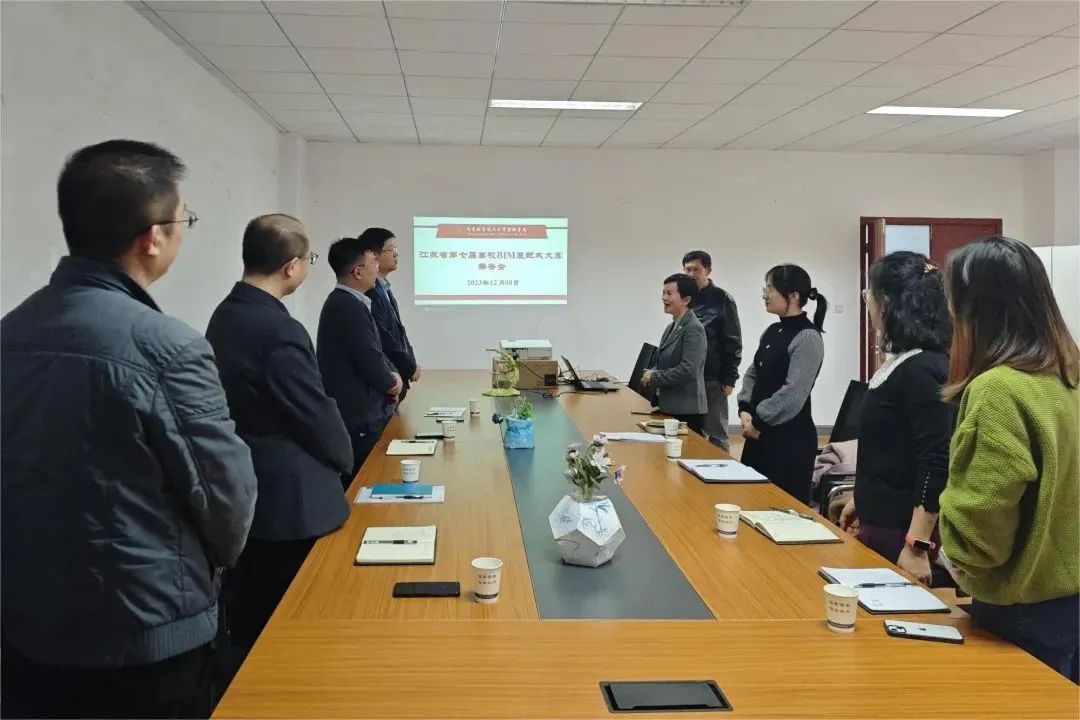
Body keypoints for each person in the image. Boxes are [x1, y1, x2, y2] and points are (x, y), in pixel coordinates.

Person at [0, 140, 257, 718]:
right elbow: (227, 500)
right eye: (184, 220)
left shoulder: (11, 332)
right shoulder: (168, 347)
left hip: (28, 629)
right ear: (153, 237)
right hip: (147, 636)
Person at [205, 214, 352, 656]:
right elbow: (313, 413)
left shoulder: (226, 314)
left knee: (256, 616)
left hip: (248, 490)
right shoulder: (278, 330)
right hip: (290, 505)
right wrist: (346, 458)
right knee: (292, 622)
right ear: (292, 266)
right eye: (309, 259)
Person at [938, 236, 1079, 683]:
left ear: (972, 309)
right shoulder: (1070, 376)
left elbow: (983, 527)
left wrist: (954, 553)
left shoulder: (998, 389)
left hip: (1023, 612)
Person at [838, 252, 952, 584]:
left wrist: (917, 546)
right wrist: (862, 497)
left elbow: (936, 461)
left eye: (868, 294)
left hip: (903, 533)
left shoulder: (922, 368)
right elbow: (893, 447)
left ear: (886, 302)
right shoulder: (904, 361)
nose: (868, 303)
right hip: (881, 522)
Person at [738, 264, 826, 504]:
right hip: (757, 434)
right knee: (750, 504)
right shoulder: (773, 330)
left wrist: (758, 422)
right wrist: (744, 409)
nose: (764, 295)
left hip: (788, 442)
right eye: (765, 289)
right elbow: (753, 373)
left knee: (781, 510)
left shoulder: (808, 337)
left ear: (794, 296)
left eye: (770, 289)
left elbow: (793, 393)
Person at [318, 234, 402, 483]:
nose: (377, 269)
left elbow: (375, 350)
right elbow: (369, 357)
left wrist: (392, 375)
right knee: (363, 483)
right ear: (357, 271)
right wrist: (391, 381)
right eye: (373, 263)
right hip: (359, 416)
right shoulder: (346, 306)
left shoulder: (352, 303)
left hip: (365, 412)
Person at [683, 250, 742, 451]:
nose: (691, 274)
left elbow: (733, 341)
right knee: (691, 432)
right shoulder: (685, 298)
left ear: (708, 270)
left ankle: (723, 467)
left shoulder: (723, 299)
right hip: (688, 377)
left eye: (696, 270)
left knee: (717, 435)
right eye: (687, 270)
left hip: (713, 378)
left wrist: (730, 378)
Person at [642, 273, 707, 432]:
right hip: (668, 405)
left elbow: (688, 370)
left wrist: (654, 377)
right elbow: (664, 362)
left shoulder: (694, 329)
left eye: (669, 293)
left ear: (686, 300)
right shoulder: (671, 327)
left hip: (686, 410)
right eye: (663, 293)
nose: (664, 298)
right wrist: (652, 372)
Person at [362, 227, 419, 403]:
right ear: (374, 255)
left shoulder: (384, 288)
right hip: (389, 381)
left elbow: (399, 330)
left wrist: (411, 362)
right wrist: (409, 366)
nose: (396, 254)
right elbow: (383, 337)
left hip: (398, 377)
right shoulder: (371, 292)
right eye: (391, 249)